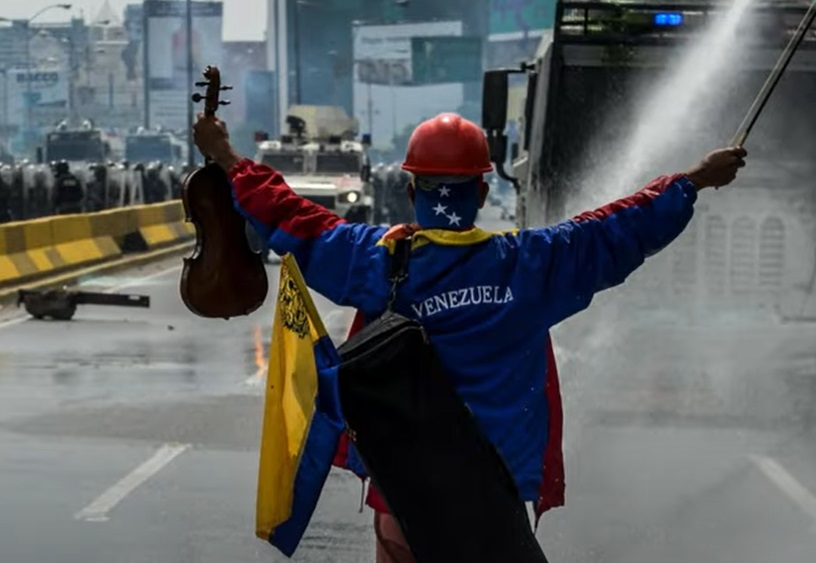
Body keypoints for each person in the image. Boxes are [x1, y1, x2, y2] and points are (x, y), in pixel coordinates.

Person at [193, 112, 746, 563]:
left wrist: (225, 155)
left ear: (411, 189)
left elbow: (295, 220)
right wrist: (693, 180)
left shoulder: (379, 261)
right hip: (492, 504)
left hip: (403, 498)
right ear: (481, 192)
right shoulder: (531, 266)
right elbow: (617, 228)